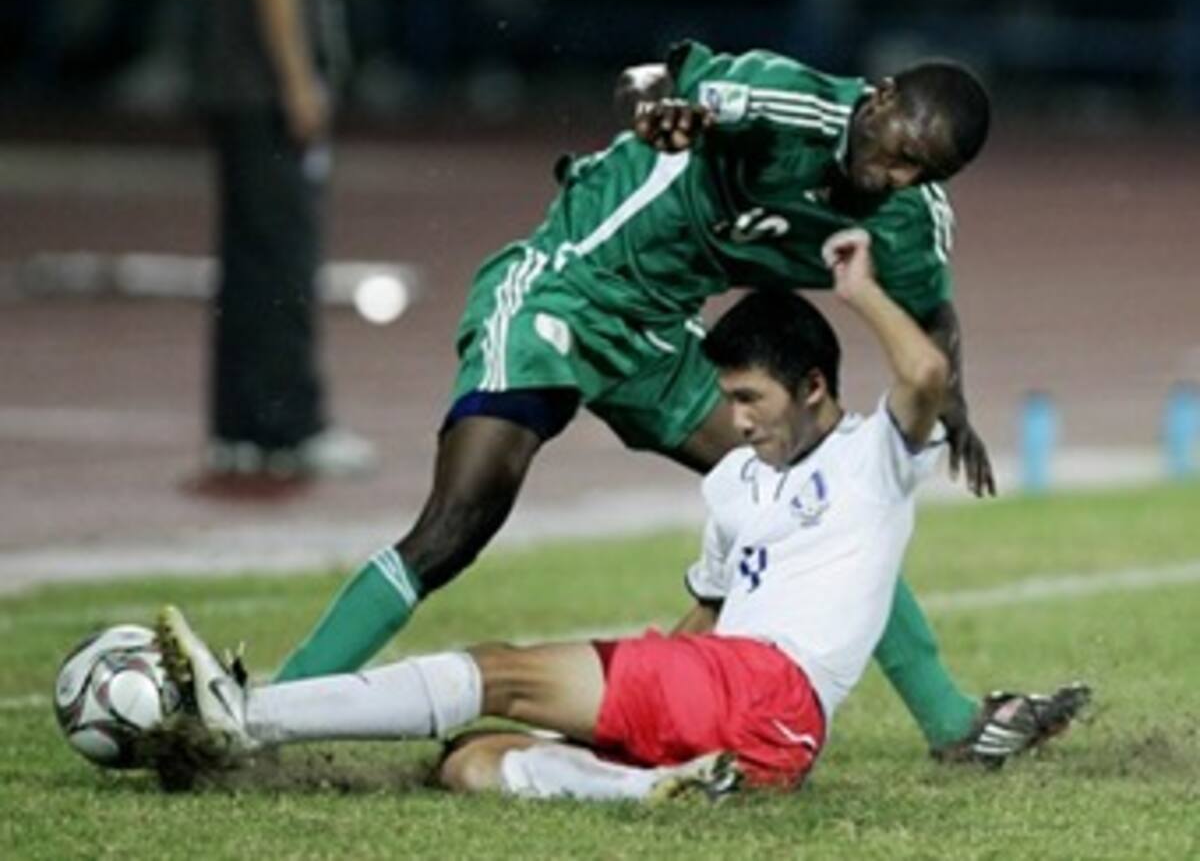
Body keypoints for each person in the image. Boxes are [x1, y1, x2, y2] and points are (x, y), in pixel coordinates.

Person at [267, 40, 1077, 763]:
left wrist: (956, 405)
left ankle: (950, 724)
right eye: (899, 153)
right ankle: (270, 709)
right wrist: (658, 112)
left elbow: (933, 309)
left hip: (660, 336)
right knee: (459, 524)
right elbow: (656, 79)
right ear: (882, 96)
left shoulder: (911, 214)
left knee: (823, 501)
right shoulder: (789, 101)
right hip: (566, 286)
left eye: (922, 172)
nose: (895, 179)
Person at [154, 236, 1086, 799]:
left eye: (753, 398)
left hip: (769, 695)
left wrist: (860, 291)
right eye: (728, 397)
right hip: (735, 713)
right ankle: (652, 786)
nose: (739, 418)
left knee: (497, 672)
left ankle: (251, 717)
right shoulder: (731, 485)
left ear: (813, 388)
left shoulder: (876, 454)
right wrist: (634, 689)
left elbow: (925, 376)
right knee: (472, 762)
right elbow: (710, 615)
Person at [198, 0, 376, 477]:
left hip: (236, 84)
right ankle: (290, 427)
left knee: (248, 266)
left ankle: (240, 429)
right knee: (284, 262)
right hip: (265, 90)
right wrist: (298, 82)